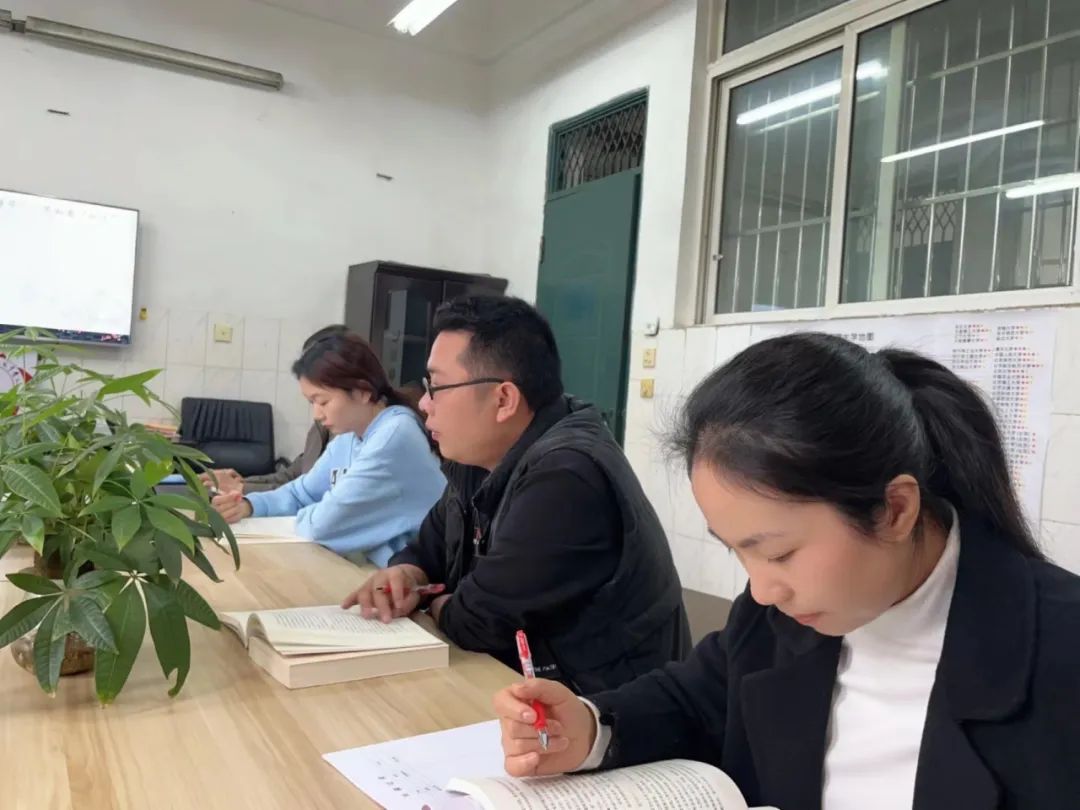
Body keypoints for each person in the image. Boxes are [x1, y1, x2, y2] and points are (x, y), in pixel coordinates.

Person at [491, 332, 1080, 809]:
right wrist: (588, 728)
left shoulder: (1058, 653)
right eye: (737, 552)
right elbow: (693, 698)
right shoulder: (777, 620)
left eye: (777, 553)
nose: (762, 589)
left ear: (895, 510)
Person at [341, 295, 690, 693]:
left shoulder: (568, 477)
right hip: (520, 686)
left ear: (504, 400)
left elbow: (477, 621)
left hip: (600, 711)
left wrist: (432, 602)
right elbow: (428, 549)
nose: (423, 404)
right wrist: (405, 574)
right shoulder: (478, 458)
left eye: (436, 387)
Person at [212, 332, 446, 568]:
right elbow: (301, 493)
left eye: (323, 401)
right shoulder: (350, 437)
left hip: (414, 575)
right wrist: (249, 505)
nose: (317, 414)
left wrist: (313, 512)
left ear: (362, 391)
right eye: (311, 403)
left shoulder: (394, 435)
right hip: (375, 567)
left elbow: (324, 525)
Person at [202, 325, 346, 495]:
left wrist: (242, 488)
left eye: (322, 401)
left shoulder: (354, 440)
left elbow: (311, 494)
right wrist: (240, 482)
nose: (316, 414)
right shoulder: (319, 429)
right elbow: (290, 477)